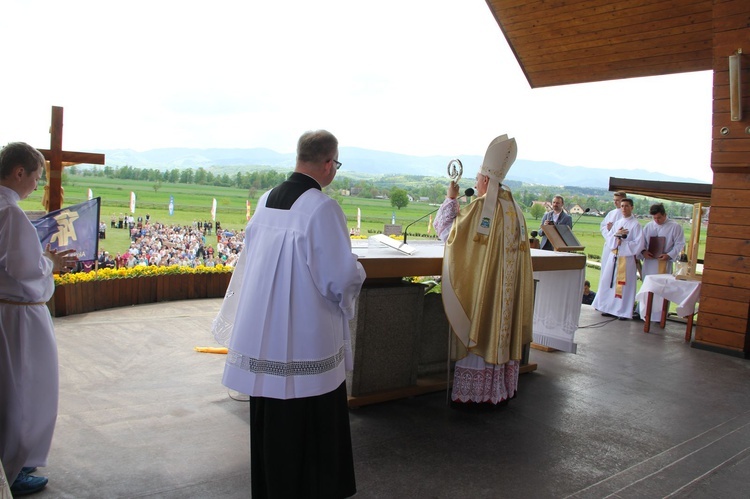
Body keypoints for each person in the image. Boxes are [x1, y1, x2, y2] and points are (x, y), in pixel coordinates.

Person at [212, 130, 365, 498]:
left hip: (264, 340)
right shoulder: (322, 208)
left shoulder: (266, 201)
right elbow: (339, 278)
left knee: (273, 425)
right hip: (305, 342)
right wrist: (356, 272)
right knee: (310, 424)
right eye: (336, 164)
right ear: (328, 164)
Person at [433, 134, 534, 407]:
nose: (476, 183)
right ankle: (497, 388)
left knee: (482, 322)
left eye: (478, 178)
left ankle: (477, 392)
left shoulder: (481, 208)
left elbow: (448, 234)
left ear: (487, 181)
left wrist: (450, 199)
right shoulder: (515, 209)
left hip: (485, 291)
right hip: (505, 295)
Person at [0, 142, 77, 496]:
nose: (37, 185)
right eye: (36, 177)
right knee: (25, 391)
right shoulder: (11, 213)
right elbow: (24, 271)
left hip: (6, 311)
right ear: (19, 172)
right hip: (19, 317)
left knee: (10, 388)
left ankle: (12, 459)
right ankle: (15, 465)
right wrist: (52, 264)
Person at [592, 198, 644, 320]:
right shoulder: (617, 223)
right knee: (610, 283)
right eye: (622, 206)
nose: (624, 208)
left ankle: (622, 311)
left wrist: (623, 243)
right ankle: (609, 308)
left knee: (624, 285)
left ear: (632, 207)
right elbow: (609, 239)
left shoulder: (635, 224)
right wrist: (616, 236)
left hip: (626, 259)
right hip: (614, 257)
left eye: (626, 206)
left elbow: (639, 244)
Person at [638, 203, 686, 321]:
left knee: (662, 289)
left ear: (665, 214)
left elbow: (680, 244)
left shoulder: (675, 227)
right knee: (648, 288)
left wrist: (669, 255)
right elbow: (642, 243)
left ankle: (660, 316)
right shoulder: (649, 226)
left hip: (664, 262)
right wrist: (644, 252)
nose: (657, 220)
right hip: (650, 263)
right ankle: (645, 313)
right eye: (654, 218)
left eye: (659, 217)